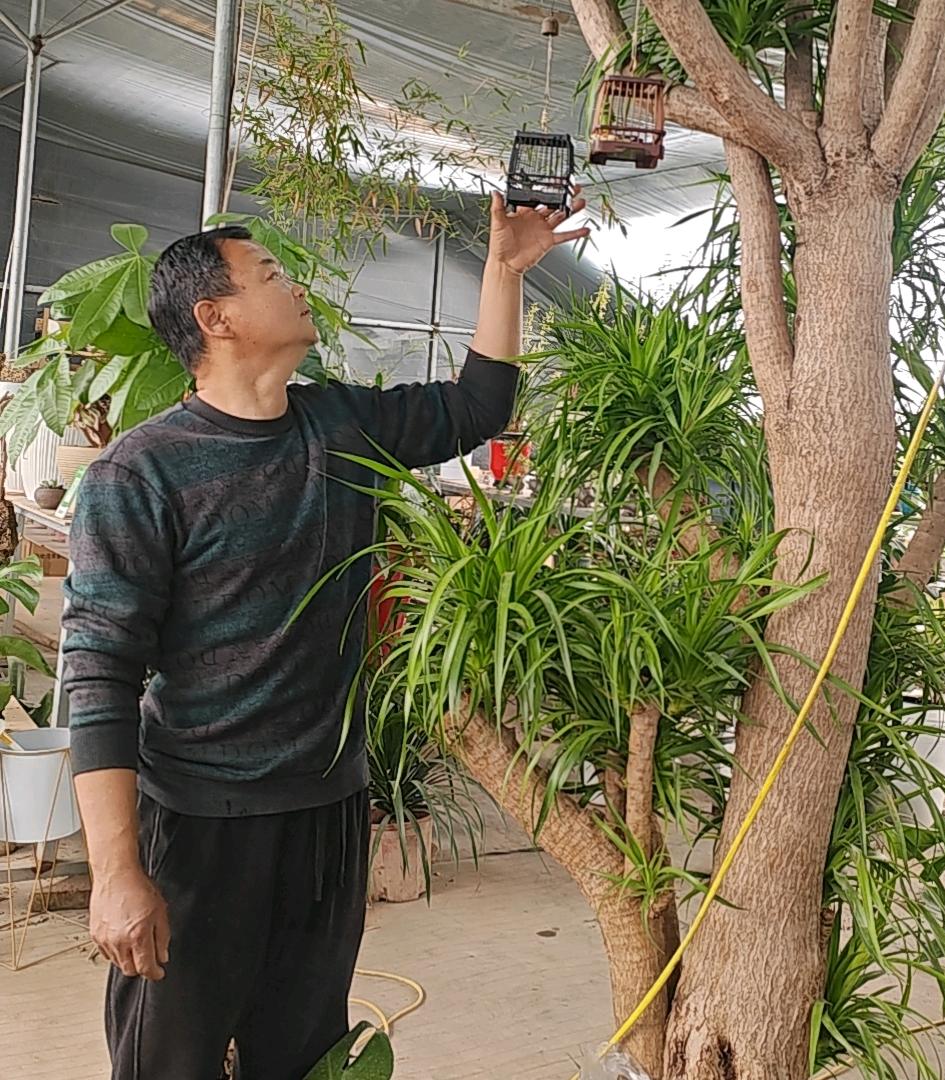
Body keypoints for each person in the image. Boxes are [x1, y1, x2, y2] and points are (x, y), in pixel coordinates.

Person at [63, 191, 588, 1080]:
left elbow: (476, 407)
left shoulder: (339, 426)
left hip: (326, 814)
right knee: (169, 1063)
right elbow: (100, 675)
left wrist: (503, 271)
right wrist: (116, 873)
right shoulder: (141, 471)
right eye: (268, 273)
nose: (293, 282)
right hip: (198, 822)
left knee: (305, 1058)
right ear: (215, 317)